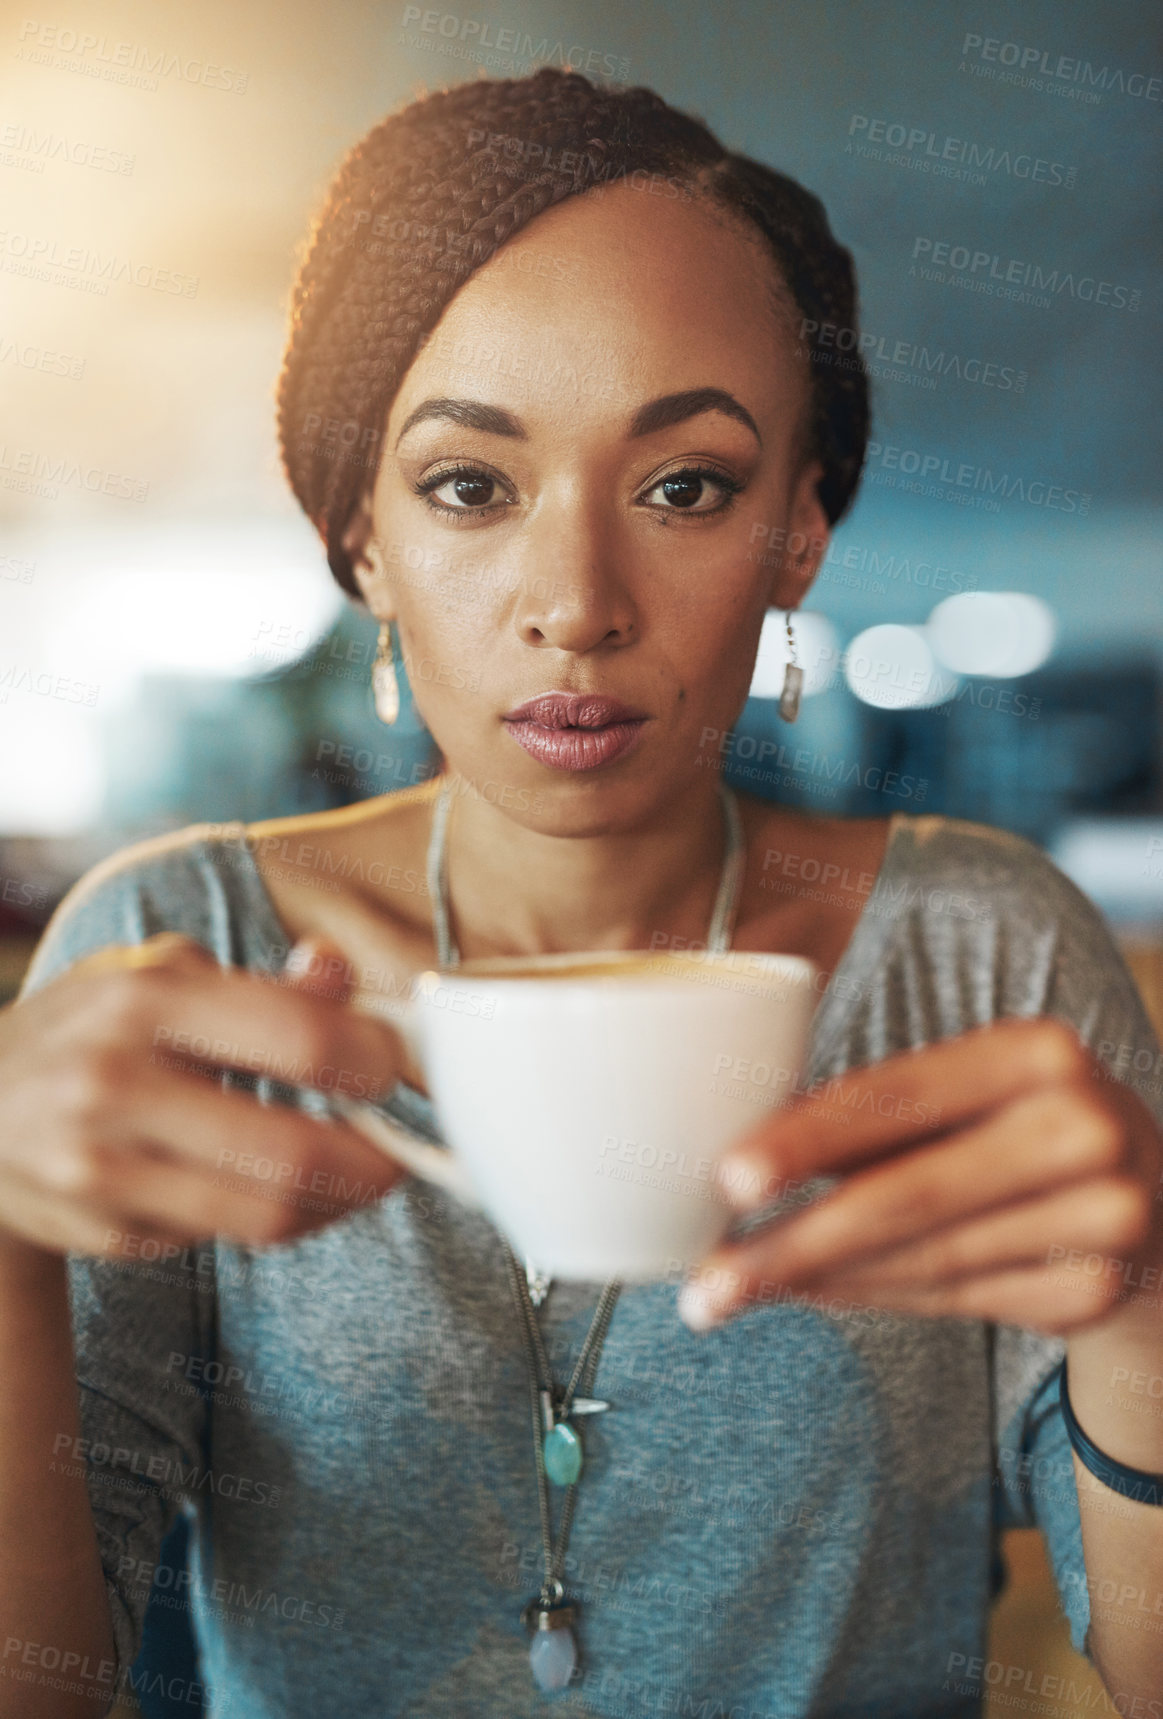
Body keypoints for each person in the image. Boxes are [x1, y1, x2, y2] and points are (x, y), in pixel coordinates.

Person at [2, 66, 1162, 1719]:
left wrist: (1154, 1299)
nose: (577, 602)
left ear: (800, 535)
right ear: (361, 548)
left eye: (687, 486)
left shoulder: (979, 954)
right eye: (471, 487)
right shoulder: (180, 963)